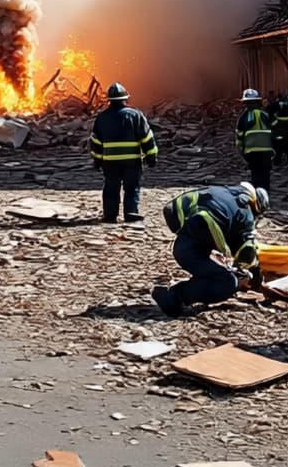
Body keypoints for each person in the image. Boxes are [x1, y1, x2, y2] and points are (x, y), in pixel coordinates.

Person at [151, 182, 268, 318]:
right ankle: (172, 297)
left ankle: (177, 294)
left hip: (185, 233)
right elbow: (246, 252)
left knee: (211, 272)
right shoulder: (245, 213)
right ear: (257, 206)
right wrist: (255, 274)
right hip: (190, 249)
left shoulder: (226, 192)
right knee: (227, 283)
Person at [88, 82, 157, 223]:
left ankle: (110, 215)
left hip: (110, 161)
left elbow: (96, 142)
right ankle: (131, 213)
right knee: (131, 188)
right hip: (132, 161)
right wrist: (151, 156)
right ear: (126, 98)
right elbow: (147, 137)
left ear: (109, 100)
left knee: (111, 188)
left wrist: (97, 160)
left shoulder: (102, 118)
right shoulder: (135, 115)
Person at [236, 88, 274, 193]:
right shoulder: (265, 114)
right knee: (265, 174)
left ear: (245, 103)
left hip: (252, 151)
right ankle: (266, 194)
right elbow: (272, 130)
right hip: (266, 150)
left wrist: (240, 149)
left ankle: (257, 195)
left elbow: (239, 135)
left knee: (256, 173)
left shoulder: (244, 117)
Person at [270, 88, 288, 166]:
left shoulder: (276, 103)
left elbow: (271, 112)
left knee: (278, 144)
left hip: (280, 126)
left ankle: (277, 160)